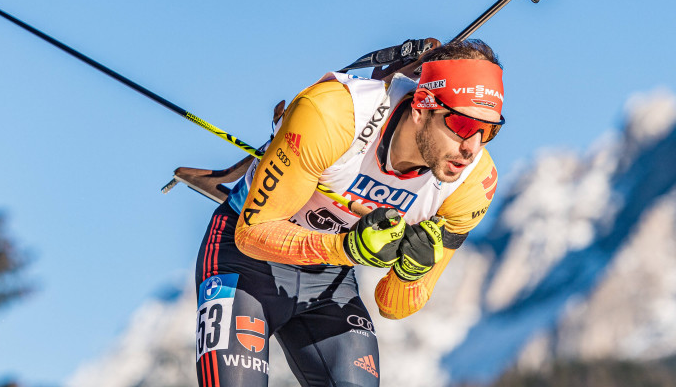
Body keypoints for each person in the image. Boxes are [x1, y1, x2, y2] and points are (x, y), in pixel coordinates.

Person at [194, 39, 504, 387]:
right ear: (421, 107)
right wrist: (347, 248)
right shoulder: (334, 114)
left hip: (329, 280)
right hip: (244, 262)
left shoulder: (474, 183)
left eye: (489, 130)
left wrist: (410, 272)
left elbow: (394, 306)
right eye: (462, 126)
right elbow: (251, 234)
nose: (471, 148)